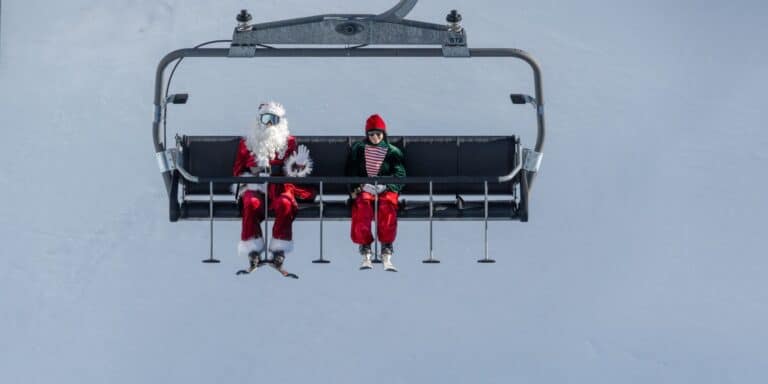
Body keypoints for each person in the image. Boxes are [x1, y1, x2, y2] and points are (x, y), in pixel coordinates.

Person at [233, 101, 314, 274]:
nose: (269, 124)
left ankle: (279, 249)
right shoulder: (247, 143)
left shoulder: (288, 142)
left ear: (280, 122)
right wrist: (248, 179)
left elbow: (291, 171)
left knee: (285, 203)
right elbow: (238, 170)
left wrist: (297, 166)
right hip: (256, 185)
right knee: (251, 202)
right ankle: (252, 249)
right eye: (265, 119)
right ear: (258, 120)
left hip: (279, 186)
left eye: (274, 119)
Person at [345, 114, 406, 272]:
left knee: (387, 206)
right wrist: (358, 186)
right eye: (371, 135)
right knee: (362, 205)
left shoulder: (392, 152)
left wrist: (387, 185)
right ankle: (365, 246)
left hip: (385, 189)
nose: (375, 138)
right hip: (366, 188)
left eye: (378, 134)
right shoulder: (359, 149)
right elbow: (350, 171)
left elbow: (400, 174)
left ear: (384, 134)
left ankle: (386, 245)